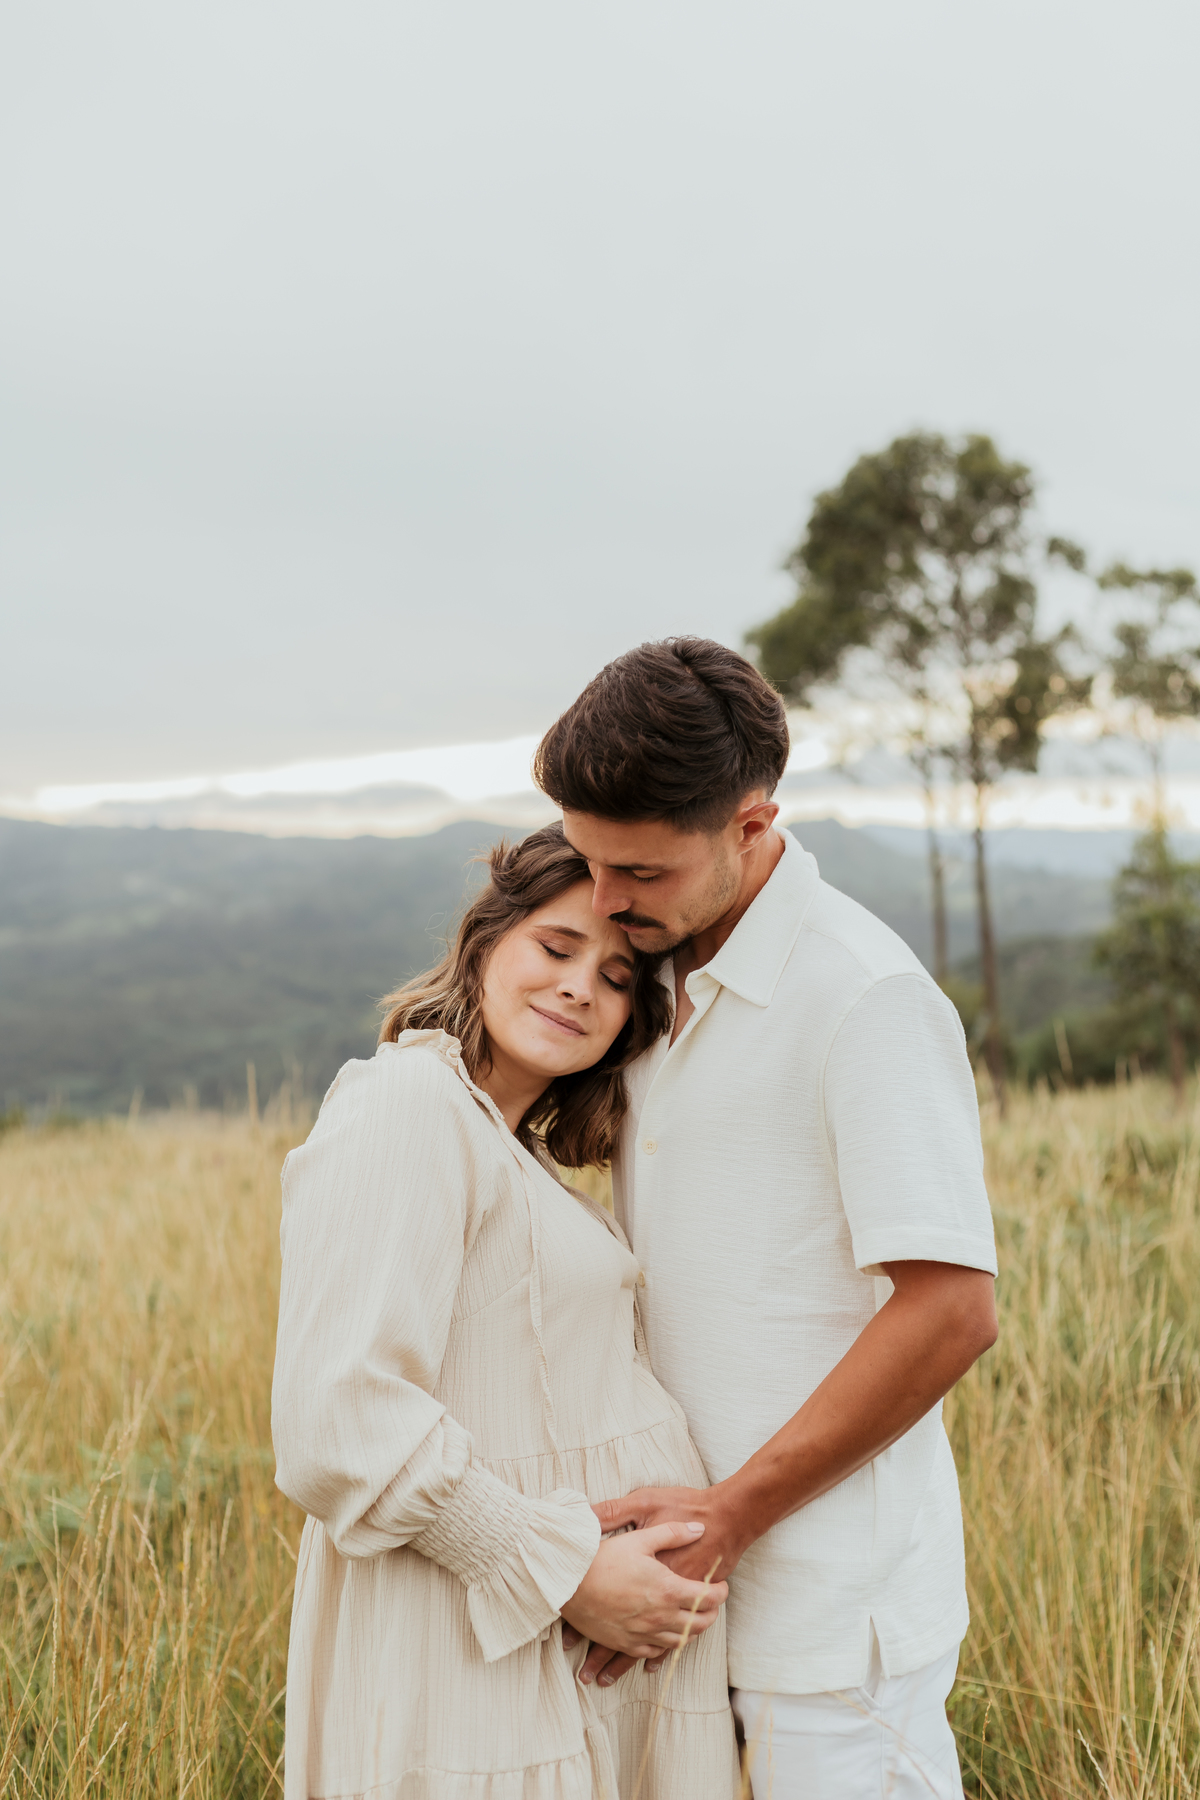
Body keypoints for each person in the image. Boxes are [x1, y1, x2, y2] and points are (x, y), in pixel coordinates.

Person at [534, 638, 999, 1800]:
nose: (603, 899)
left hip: (835, 1628)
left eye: (637, 869)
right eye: (588, 861)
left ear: (751, 826)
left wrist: (733, 1512)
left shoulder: (867, 999)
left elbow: (952, 1313)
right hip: (683, 1608)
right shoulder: (656, 973)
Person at [271, 824, 740, 1800]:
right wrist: (565, 1571)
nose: (581, 987)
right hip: (481, 1634)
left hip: (571, 1646)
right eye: (556, 949)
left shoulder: (512, 1152)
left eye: (617, 978)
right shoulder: (407, 1103)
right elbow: (335, 1419)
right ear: (486, 944)